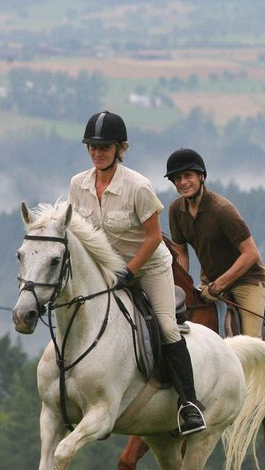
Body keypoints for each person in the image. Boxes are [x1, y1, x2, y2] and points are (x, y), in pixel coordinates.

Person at [69, 111, 205, 436]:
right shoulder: (78, 185)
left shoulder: (138, 186)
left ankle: (190, 404)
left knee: (166, 326)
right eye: (93, 146)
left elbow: (154, 237)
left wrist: (130, 272)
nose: (98, 152)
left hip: (148, 267)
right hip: (104, 269)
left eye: (105, 147)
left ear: (119, 149)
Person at [164, 148, 265, 431]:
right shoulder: (176, 211)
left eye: (188, 176)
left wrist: (220, 284)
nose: (183, 182)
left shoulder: (222, 210)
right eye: (177, 178)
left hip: (248, 281)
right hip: (210, 282)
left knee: (250, 338)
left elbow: (250, 254)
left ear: (201, 176)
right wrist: (182, 284)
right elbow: (181, 252)